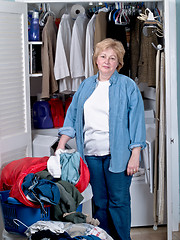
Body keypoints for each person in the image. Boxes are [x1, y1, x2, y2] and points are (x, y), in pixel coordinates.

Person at [56, 38, 146, 240]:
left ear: (118, 63)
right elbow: (72, 116)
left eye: (112, 58)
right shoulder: (86, 86)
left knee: (119, 201)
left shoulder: (127, 86)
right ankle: (103, 237)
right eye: (103, 56)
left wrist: (135, 155)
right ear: (96, 60)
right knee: (100, 202)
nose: (107, 61)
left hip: (119, 156)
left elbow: (137, 122)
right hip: (91, 155)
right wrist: (61, 145)